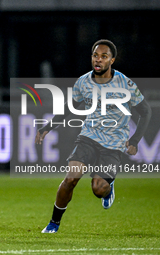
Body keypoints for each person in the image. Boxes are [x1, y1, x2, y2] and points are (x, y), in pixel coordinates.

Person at [35, 39, 151, 233]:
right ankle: (54, 223)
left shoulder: (125, 84)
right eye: (95, 56)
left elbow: (146, 111)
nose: (98, 60)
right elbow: (69, 108)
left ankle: (109, 186)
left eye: (104, 57)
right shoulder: (83, 82)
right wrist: (47, 127)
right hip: (89, 137)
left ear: (112, 60)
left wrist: (135, 140)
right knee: (71, 178)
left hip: (114, 144)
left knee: (98, 188)